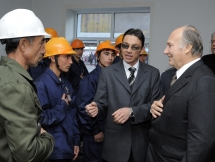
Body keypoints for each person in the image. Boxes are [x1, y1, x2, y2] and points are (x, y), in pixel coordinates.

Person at [0, 9, 54, 162]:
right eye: (41, 42)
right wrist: (46, 137)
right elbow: (27, 154)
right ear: (23, 45)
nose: (44, 50)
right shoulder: (16, 86)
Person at [85, 28, 162, 162]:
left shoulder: (153, 74)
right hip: (114, 145)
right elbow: (101, 103)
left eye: (134, 47)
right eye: (125, 46)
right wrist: (95, 109)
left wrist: (132, 112)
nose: (128, 50)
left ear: (142, 48)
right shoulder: (107, 73)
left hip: (141, 145)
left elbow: (155, 107)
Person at [148, 25, 215, 162]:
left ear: (187, 48)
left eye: (170, 45)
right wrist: (156, 107)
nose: (165, 51)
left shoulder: (204, 80)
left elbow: (201, 141)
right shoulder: (176, 76)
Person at [34, 37, 80, 162]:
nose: (71, 62)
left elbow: (72, 113)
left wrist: (76, 140)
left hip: (67, 147)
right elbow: (40, 118)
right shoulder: (41, 85)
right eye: (66, 57)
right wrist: (61, 106)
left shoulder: (65, 82)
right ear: (53, 58)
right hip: (52, 151)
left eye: (71, 57)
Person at [76, 40, 116, 162]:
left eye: (112, 54)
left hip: (108, 133)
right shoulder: (90, 80)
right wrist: (96, 130)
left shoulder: (112, 77)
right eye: (106, 53)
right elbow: (83, 108)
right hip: (94, 135)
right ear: (98, 56)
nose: (110, 57)